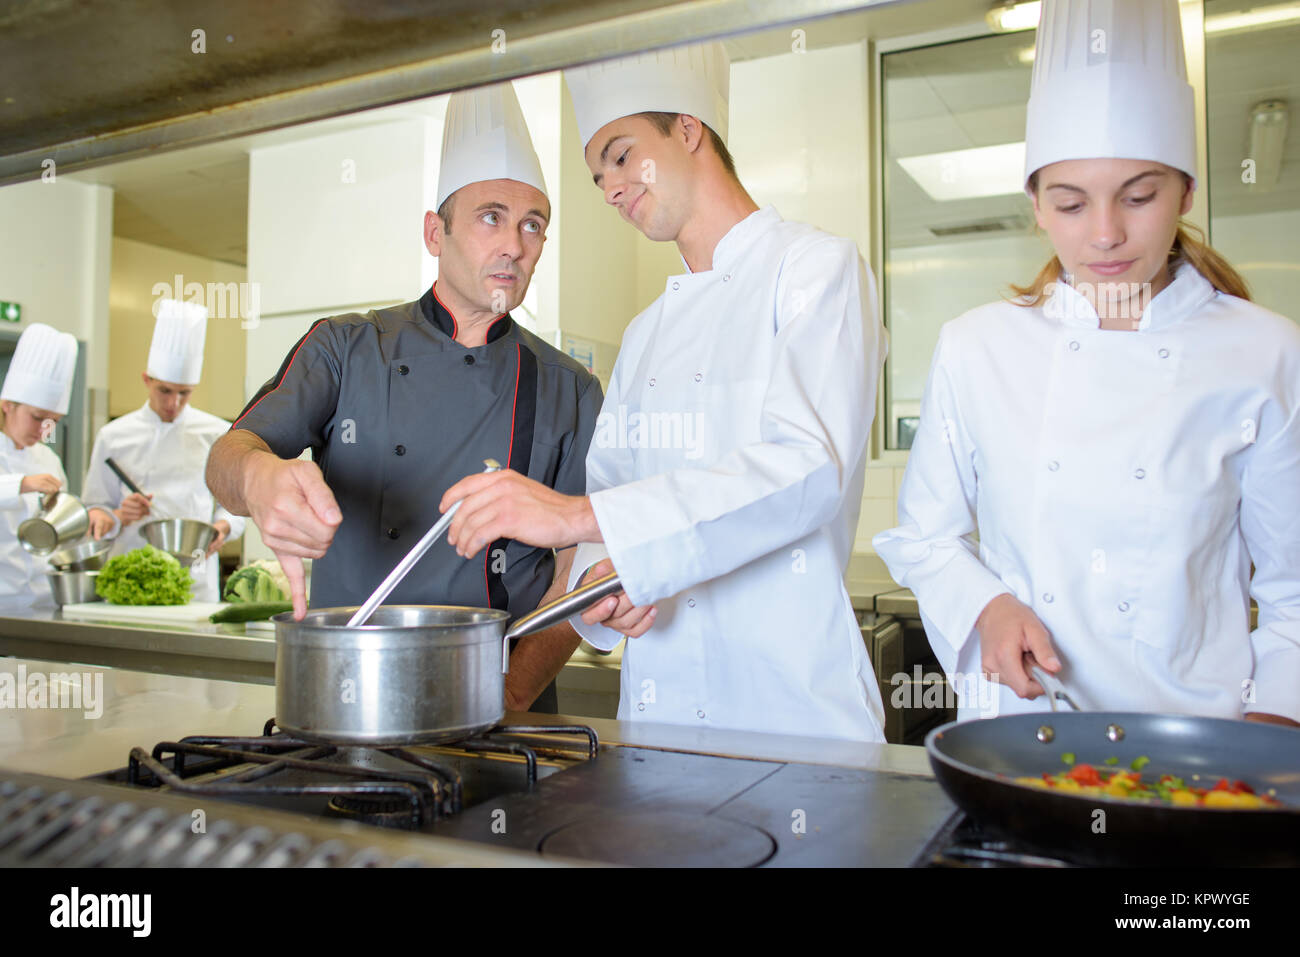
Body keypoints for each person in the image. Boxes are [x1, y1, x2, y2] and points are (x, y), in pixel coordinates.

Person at [441, 43, 889, 741]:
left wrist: (576, 517)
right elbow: (610, 517)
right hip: (660, 724)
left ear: (688, 128)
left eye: (621, 156)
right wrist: (605, 593)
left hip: (796, 720)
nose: (612, 188)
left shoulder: (816, 271)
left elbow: (807, 469)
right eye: (597, 177)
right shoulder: (646, 333)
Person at [873, 0, 1300, 727]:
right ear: (1036, 205)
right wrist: (990, 606)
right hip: (1021, 738)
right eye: (1071, 204)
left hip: (1198, 750)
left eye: (1139, 196)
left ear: (1186, 192)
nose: (1106, 235)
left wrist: (1276, 723)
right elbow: (924, 537)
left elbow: (1294, 590)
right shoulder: (978, 346)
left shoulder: (1265, 352)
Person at [206, 82, 602, 712]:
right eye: (490, 216)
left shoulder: (571, 387)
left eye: (534, 225)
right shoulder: (345, 346)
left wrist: (511, 694)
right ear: (433, 233)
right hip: (351, 693)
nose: (515, 246)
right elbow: (231, 453)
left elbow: (580, 564)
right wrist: (257, 479)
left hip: (503, 706)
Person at [83, 300, 245, 601]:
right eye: (165, 391)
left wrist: (221, 528)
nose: (174, 403)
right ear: (147, 380)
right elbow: (94, 510)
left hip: (196, 580)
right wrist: (119, 514)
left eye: (184, 393)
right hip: (130, 576)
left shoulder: (216, 433)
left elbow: (236, 507)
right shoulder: (113, 435)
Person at [0, 323, 79, 600]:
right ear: (7, 404)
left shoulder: (48, 460)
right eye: (37, 417)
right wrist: (21, 484)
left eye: (53, 422)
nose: (45, 430)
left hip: (41, 597)